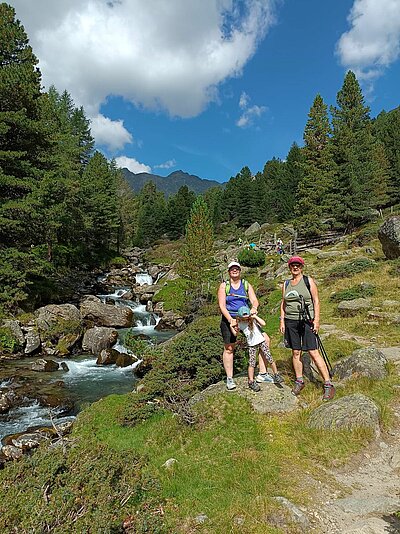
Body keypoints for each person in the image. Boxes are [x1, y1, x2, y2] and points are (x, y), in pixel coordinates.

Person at [279, 256, 335, 401]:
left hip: (307, 320)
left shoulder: (308, 281)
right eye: (292, 265)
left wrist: (316, 320)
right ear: (289, 267)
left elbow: (316, 301)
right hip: (291, 321)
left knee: (312, 351)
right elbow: (283, 303)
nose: (295, 267)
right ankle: (299, 381)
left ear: (302, 267)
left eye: (298, 265)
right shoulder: (286, 284)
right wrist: (282, 321)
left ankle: (328, 384)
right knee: (296, 351)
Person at [218, 261, 273, 390]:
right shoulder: (223, 286)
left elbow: (254, 300)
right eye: (232, 269)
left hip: (246, 318)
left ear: (240, 270)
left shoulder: (246, 285)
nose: (234, 270)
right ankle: (230, 379)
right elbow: (222, 306)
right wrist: (230, 320)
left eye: (237, 268)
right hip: (230, 318)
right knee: (229, 348)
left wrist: (254, 307)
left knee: (265, 340)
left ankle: (263, 373)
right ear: (229, 272)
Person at [232, 306, 284, 391]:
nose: (245, 319)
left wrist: (255, 316)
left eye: (247, 317)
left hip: (261, 341)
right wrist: (232, 326)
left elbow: (263, 323)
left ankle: (276, 374)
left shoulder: (253, 320)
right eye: (243, 317)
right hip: (252, 345)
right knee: (252, 363)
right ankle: (251, 381)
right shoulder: (240, 324)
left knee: (269, 358)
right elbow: (235, 334)